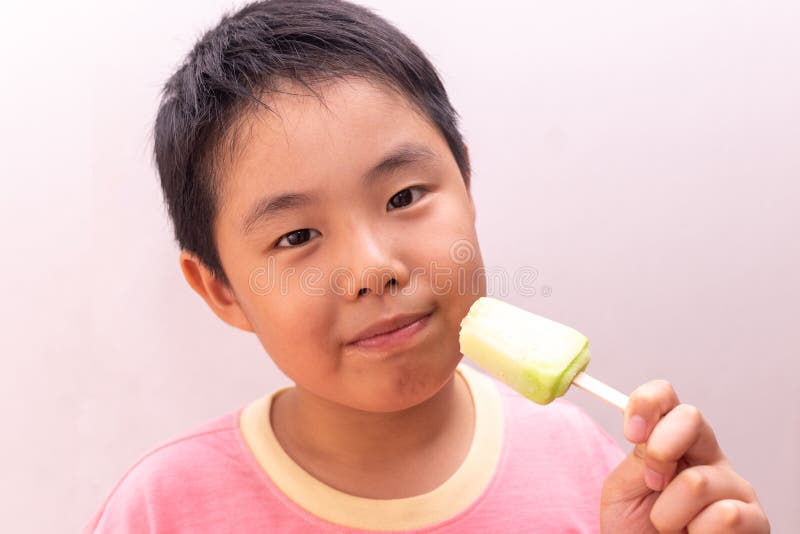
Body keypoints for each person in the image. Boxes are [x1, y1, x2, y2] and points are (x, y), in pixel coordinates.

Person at [84, 1, 769, 532]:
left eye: (404, 197)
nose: (373, 268)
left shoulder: (586, 470)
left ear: (466, 182)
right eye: (296, 236)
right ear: (221, 290)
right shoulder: (163, 510)